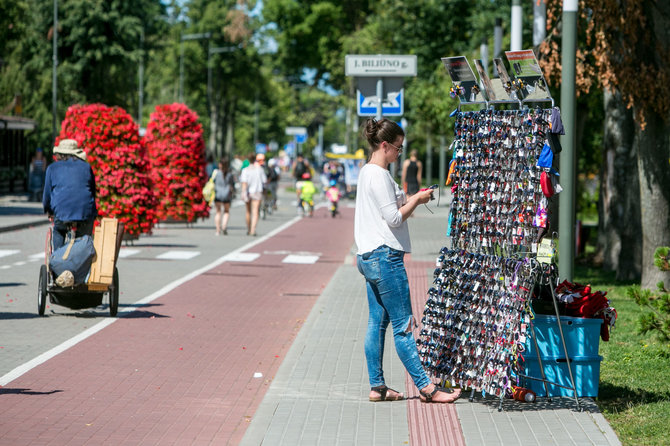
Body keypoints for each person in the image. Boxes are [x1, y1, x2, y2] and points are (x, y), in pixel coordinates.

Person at [355, 118, 461, 404]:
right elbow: (393, 217)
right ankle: (427, 388)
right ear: (385, 145)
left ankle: (377, 387)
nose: (400, 153)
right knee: (403, 326)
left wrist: (414, 197)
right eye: (398, 148)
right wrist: (415, 201)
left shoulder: (368, 172)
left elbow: (392, 207)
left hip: (368, 256)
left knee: (376, 323)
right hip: (385, 257)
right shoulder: (377, 175)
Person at [43, 139, 97, 250]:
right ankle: (82, 257)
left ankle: (57, 260)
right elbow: (92, 191)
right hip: (84, 212)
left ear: (59, 154)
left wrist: (48, 211)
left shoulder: (52, 168)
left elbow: (47, 195)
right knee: (84, 237)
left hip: (61, 212)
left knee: (59, 231)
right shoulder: (86, 167)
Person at [240, 153, 267, 236]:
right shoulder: (259, 169)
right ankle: (253, 229)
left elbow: (244, 183)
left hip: (248, 192)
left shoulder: (245, 170)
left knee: (248, 211)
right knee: (255, 211)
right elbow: (264, 181)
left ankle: (248, 228)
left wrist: (243, 192)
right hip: (257, 191)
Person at [213, 158, 235, 235]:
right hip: (226, 195)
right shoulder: (229, 174)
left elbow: (212, 182)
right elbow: (232, 185)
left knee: (218, 212)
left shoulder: (216, 173)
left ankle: (217, 230)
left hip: (218, 194)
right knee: (226, 211)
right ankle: (224, 226)